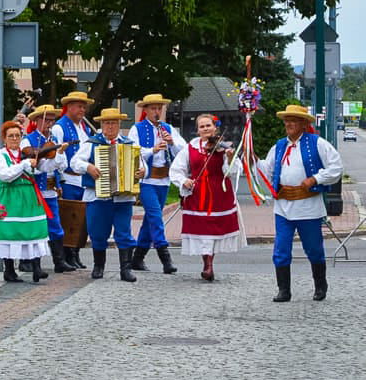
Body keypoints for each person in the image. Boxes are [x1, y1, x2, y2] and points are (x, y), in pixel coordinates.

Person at [259, 105, 342, 302]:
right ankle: (284, 290)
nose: (288, 123)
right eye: (287, 120)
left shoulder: (317, 143)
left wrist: (315, 179)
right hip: (283, 206)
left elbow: (336, 166)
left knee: (313, 249)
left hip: (308, 206)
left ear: (304, 124)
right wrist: (252, 160)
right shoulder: (279, 146)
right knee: (281, 248)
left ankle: (320, 285)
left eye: (293, 120)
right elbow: (267, 169)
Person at [72, 108, 146, 282]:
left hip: (123, 197)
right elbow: (75, 162)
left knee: (123, 232)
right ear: (101, 125)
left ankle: (125, 269)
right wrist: (88, 167)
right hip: (97, 196)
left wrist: (143, 171)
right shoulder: (91, 143)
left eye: (113, 123)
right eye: (107, 123)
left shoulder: (129, 144)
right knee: (97, 232)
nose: (110, 126)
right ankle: (99, 266)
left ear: (119, 125)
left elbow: (142, 165)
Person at [170, 114, 242, 281]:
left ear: (215, 127)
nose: (205, 129)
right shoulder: (190, 148)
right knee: (202, 231)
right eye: (201, 127)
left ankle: (209, 264)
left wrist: (230, 158)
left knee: (213, 230)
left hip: (219, 192)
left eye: (208, 125)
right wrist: (184, 181)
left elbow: (231, 171)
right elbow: (176, 170)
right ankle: (207, 264)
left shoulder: (222, 147)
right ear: (197, 130)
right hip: (197, 193)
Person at [128, 93, 186, 274]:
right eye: (153, 108)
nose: (157, 111)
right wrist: (152, 149)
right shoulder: (136, 128)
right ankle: (165, 257)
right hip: (146, 179)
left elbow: (184, 151)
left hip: (163, 180)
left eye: (159, 108)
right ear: (145, 110)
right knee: (155, 216)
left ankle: (137, 258)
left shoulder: (167, 127)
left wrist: (171, 142)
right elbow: (132, 151)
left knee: (150, 220)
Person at [0, 120, 51, 283]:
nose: (14, 139)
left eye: (17, 135)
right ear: (4, 138)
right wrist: (23, 165)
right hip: (9, 196)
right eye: (11, 136)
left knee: (34, 229)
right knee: (11, 231)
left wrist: (55, 155)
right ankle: (9, 270)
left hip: (28, 195)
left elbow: (41, 169)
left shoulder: (26, 153)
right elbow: (5, 175)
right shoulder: (1, 155)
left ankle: (37, 268)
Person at [22, 105, 73, 273]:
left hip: (51, 190)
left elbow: (62, 165)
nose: (49, 123)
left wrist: (58, 153)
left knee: (55, 225)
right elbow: (33, 165)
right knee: (33, 226)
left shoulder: (54, 140)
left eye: (52, 120)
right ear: (36, 121)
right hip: (35, 190)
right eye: (46, 120)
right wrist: (49, 157)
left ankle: (59, 261)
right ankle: (27, 261)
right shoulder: (28, 140)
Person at [50, 91, 97, 270]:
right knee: (68, 218)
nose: (82, 110)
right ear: (69, 107)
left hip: (81, 180)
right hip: (68, 178)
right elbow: (57, 154)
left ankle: (75, 253)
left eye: (84, 107)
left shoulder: (83, 128)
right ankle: (67, 254)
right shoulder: (59, 127)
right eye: (79, 106)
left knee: (80, 220)